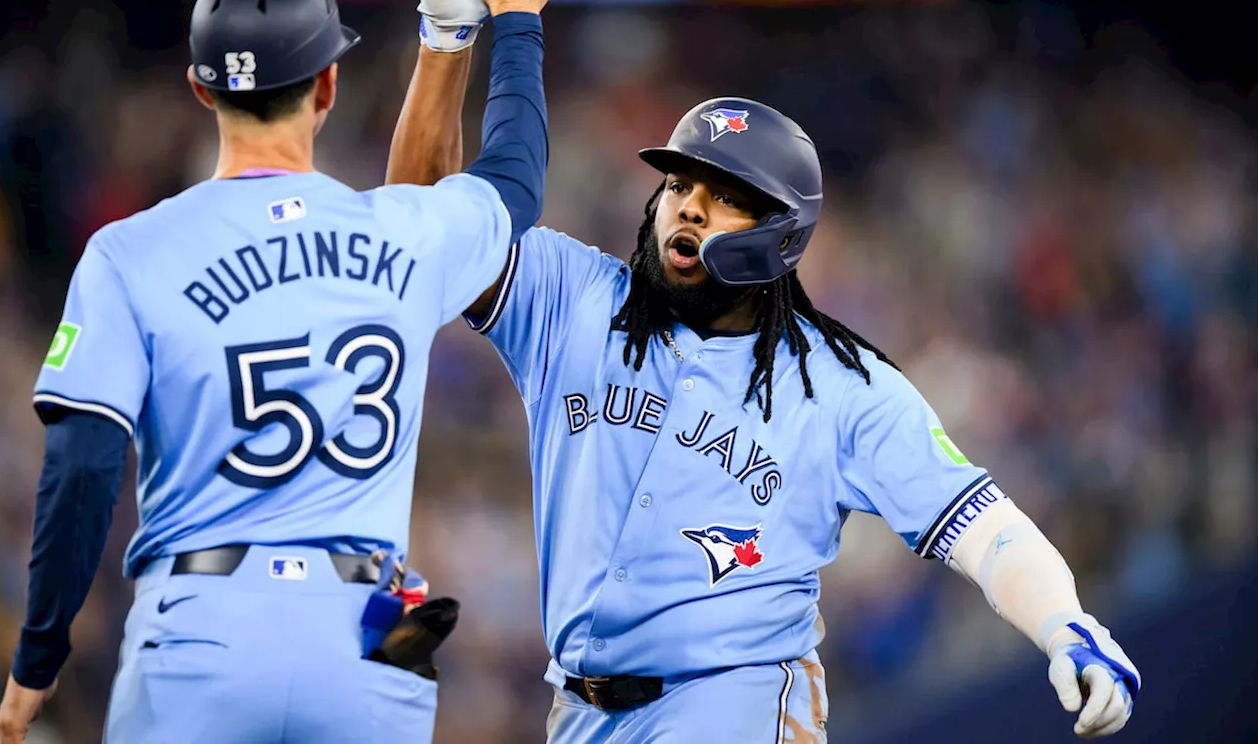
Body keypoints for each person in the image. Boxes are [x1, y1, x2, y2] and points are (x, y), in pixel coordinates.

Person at [386, 66, 1141, 742]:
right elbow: (432, 229)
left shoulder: (841, 386)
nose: (689, 209)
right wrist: (448, 41)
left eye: (726, 199)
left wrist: (1065, 622)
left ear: (780, 235)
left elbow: (985, 527)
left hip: (734, 702)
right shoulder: (572, 297)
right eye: (681, 187)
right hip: (580, 712)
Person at [0, 0, 574, 741]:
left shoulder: (129, 251)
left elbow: (81, 465)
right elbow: (514, 181)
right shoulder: (399, 230)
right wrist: (507, 20)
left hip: (201, 628)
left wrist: (37, 659)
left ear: (200, 89)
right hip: (369, 642)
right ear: (329, 83)